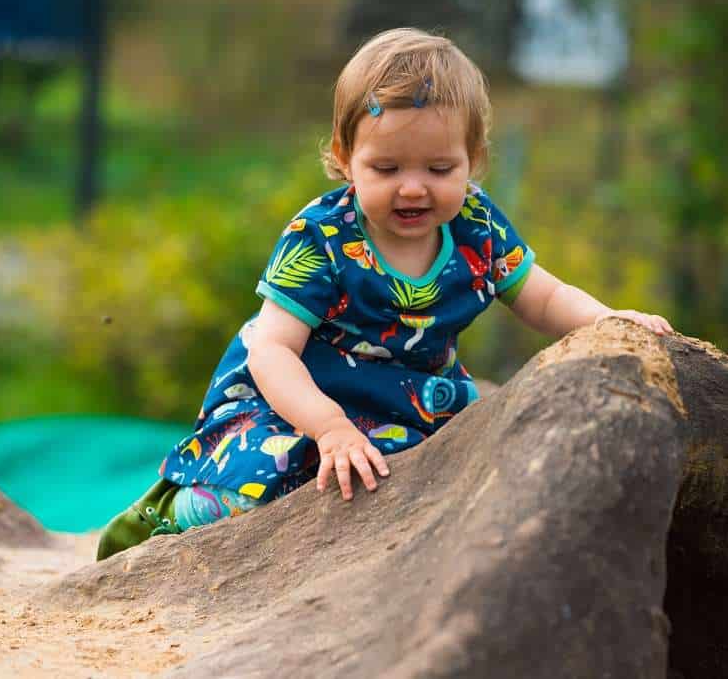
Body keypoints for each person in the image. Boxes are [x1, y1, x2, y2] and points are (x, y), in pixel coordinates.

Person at [96, 28, 673, 561]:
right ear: (346, 160)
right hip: (292, 401)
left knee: (448, 480)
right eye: (387, 167)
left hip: (410, 404)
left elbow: (541, 297)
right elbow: (271, 350)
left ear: (475, 161)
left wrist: (606, 319)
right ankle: (168, 514)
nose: (414, 187)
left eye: (440, 167)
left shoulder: (477, 225)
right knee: (272, 484)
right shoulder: (322, 236)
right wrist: (327, 426)